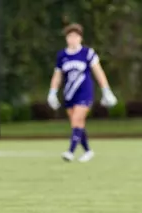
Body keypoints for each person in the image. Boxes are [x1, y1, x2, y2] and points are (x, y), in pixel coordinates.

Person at [47, 23, 117, 162]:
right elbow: (58, 75)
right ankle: (88, 151)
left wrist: (106, 90)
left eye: (75, 36)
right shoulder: (62, 55)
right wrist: (52, 92)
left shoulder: (87, 53)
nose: (72, 39)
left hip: (85, 92)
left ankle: (70, 151)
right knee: (77, 124)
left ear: (80, 38)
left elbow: (98, 72)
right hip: (69, 94)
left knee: (77, 119)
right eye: (70, 36)